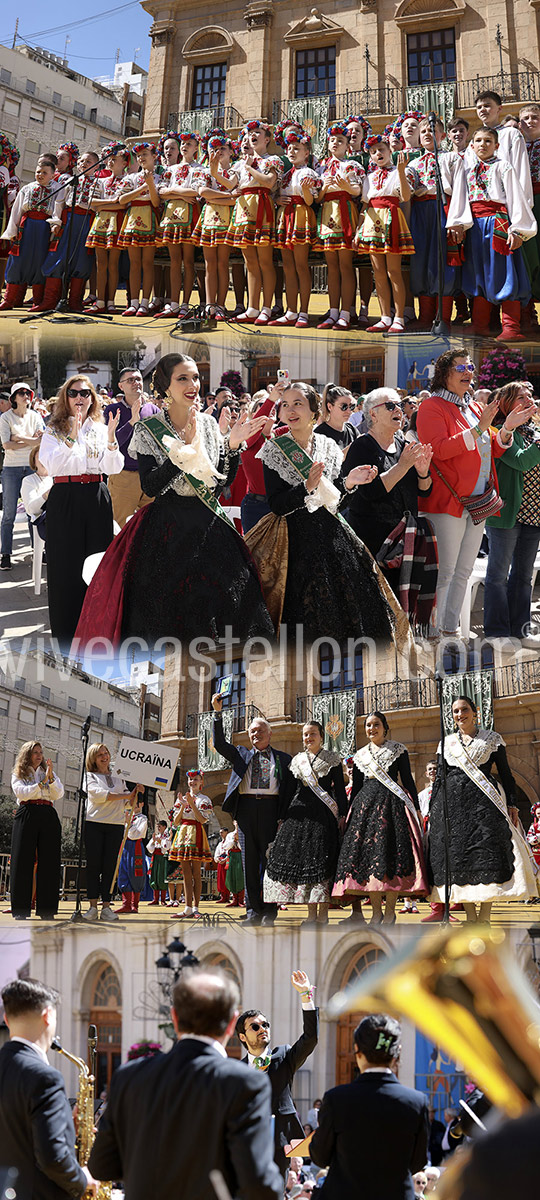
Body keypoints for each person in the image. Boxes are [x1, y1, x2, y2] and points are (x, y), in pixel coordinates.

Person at [74, 354, 274, 647]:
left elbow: (218, 484)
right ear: (166, 387)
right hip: (166, 530)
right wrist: (181, 454)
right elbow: (151, 485)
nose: (193, 384)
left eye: (195, 377)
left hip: (209, 526)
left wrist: (231, 447)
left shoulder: (207, 425)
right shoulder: (148, 429)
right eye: (183, 378)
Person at [88, 966, 283, 1200]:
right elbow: (259, 1185)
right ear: (232, 1024)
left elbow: (102, 1167)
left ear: (174, 1017)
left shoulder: (129, 1076)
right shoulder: (245, 1083)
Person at [250, 381, 409, 645]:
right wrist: (306, 488)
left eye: (298, 403)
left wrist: (350, 482)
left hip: (331, 532)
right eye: (285, 405)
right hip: (292, 539)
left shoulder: (328, 446)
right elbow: (277, 504)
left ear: (315, 410)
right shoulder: (275, 449)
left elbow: (334, 495)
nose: (290, 410)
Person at [416, 349, 535, 638]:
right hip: (448, 501)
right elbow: (440, 450)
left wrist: (506, 428)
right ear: (444, 374)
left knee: (464, 570)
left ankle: (450, 627)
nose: (468, 371)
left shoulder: (475, 408)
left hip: (479, 502)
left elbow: (495, 448)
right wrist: (478, 429)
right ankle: (434, 630)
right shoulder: (432, 407)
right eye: (460, 367)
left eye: (470, 366)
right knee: (444, 571)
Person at [427, 694, 538, 922]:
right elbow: (440, 778)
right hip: (455, 809)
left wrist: (513, 803)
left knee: (488, 854)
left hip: (485, 807)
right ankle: (469, 917)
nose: (460, 714)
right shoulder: (446, 743)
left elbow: (506, 775)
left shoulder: (491, 739)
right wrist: (435, 809)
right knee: (460, 859)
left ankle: (485, 917)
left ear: (474, 711)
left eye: (464, 709)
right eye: (456, 711)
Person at [38, 374, 123, 648]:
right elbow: (50, 465)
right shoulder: (53, 429)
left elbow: (113, 467)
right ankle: (65, 634)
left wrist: (111, 440)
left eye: (85, 393)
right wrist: (72, 437)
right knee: (65, 566)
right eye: (74, 393)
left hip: (97, 496)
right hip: (65, 497)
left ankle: (95, 629)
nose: (79, 398)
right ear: (66, 398)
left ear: (92, 398)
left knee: (97, 563)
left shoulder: (100, 427)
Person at [343, 388, 436, 629]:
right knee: (378, 603)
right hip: (374, 539)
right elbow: (371, 492)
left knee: (403, 604)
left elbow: (424, 490)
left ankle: (404, 647)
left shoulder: (404, 444)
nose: (399, 410)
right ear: (372, 415)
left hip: (405, 538)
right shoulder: (362, 447)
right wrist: (404, 466)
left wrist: (423, 472)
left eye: (399, 405)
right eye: (390, 406)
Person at [311, 1014, 428, 1200]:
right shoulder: (416, 1101)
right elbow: (417, 1161)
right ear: (397, 1052)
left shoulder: (336, 1099)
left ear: (357, 1049)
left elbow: (320, 1156)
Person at [0, 979, 94, 1200]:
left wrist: (65, 1124)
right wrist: (83, 1181)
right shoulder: (45, 1077)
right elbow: (52, 1157)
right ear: (48, 1016)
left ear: (6, 1018)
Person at [333, 712, 428, 925]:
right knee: (368, 862)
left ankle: (391, 912)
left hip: (392, 807)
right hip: (364, 810)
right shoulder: (359, 756)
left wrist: (416, 808)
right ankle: (376, 913)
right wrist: (348, 814)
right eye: (368, 725)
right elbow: (356, 788)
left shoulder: (398, 750)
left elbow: (408, 781)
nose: (371, 729)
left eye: (376, 724)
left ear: (385, 727)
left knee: (391, 858)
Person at [212, 692, 292, 925]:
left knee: (270, 864)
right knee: (248, 864)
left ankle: (270, 911)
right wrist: (218, 713)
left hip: (271, 811)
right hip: (246, 810)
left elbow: (290, 789)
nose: (255, 734)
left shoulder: (284, 759)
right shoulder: (241, 754)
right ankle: (253, 913)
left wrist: (283, 817)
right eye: (252, 732)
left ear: (269, 733)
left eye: (260, 730)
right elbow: (218, 743)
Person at [263, 721, 348, 926]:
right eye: (305, 735)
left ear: (321, 736)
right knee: (306, 864)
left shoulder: (332, 759)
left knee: (323, 863)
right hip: (300, 814)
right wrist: (282, 816)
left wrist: (343, 814)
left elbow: (340, 793)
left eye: (312, 734)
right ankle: (311, 915)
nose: (308, 738)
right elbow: (289, 791)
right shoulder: (297, 761)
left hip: (324, 816)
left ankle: (324, 915)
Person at [237, 970, 319, 1178]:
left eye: (265, 1024)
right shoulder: (236, 1071)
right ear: (242, 1036)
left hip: (279, 1142)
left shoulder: (283, 1057)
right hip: (246, 1144)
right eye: (255, 1026)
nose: (262, 1028)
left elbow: (310, 1038)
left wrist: (305, 995)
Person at [462, 125, 537, 341]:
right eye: (479, 141)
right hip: (475, 226)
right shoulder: (466, 170)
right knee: (478, 271)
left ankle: (511, 327)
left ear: (496, 145)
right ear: (472, 145)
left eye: (488, 141)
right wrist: (459, 225)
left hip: (498, 223)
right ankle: (480, 324)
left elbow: (515, 197)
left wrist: (517, 229)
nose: (483, 145)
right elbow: (461, 199)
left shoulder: (504, 167)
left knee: (504, 272)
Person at [483, 381, 540, 645]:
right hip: (507, 513)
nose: (529, 399)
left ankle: (522, 629)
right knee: (498, 575)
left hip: (534, 514)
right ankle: (496, 632)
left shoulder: (533, 430)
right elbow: (522, 461)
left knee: (524, 576)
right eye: (521, 396)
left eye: (530, 395)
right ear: (507, 403)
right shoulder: (500, 431)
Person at [409, 117, 471, 327]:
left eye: (432, 130)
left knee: (443, 263)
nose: (427, 133)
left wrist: (456, 221)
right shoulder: (413, 163)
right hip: (420, 212)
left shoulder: (452, 158)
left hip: (443, 210)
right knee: (421, 262)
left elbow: (460, 190)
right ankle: (425, 317)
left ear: (442, 136)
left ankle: (443, 317)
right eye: (424, 130)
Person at [223, 120, 283, 325]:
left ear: (267, 139)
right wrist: (214, 170)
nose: (253, 135)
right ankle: (252, 307)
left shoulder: (272, 159)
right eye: (250, 133)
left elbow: (268, 182)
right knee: (250, 262)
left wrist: (250, 166)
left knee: (265, 261)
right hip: (243, 208)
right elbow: (230, 184)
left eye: (257, 132)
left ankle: (266, 307)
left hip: (261, 207)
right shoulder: (239, 164)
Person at [355, 136, 415, 335]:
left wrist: (400, 172)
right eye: (373, 152)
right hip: (372, 222)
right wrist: (358, 230)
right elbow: (365, 204)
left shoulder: (400, 172)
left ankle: (398, 317)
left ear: (390, 151)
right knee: (378, 273)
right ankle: (384, 317)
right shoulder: (369, 177)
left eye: (381, 149)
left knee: (394, 271)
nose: (377, 154)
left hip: (392, 219)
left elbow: (405, 197)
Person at [84, 742, 143, 923]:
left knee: (111, 866)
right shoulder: (89, 776)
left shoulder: (119, 776)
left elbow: (126, 802)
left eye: (106, 753)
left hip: (116, 825)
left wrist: (136, 794)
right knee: (94, 866)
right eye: (100, 754)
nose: (104, 756)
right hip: (94, 823)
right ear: (93, 758)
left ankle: (107, 907)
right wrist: (127, 795)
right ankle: (92, 907)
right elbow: (101, 796)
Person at [0, 153, 65, 312]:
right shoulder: (27, 188)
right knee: (17, 260)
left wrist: (55, 224)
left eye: (44, 172)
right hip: (26, 227)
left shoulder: (57, 189)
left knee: (39, 261)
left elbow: (58, 209)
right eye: (38, 172)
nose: (40, 175)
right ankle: (9, 299)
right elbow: (17, 211)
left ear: (52, 174)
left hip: (43, 228)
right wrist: (12, 231)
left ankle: (38, 300)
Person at [317, 122, 364, 330]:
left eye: (341, 141)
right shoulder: (320, 166)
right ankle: (333, 311)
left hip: (345, 212)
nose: (336, 143)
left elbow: (358, 191)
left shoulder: (352, 166)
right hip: (328, 216)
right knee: (332, 268)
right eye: (333, 140)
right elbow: (317, 199)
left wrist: (346, 186)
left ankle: (346, 312)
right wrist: (323, 189)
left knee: (346, 266)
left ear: (348, 146)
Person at [41, 150, 101, 313]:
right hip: (69, 222)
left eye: (88, 161)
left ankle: (75, 301)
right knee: (59, 256)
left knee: (81, 260)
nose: (83, 164)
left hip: (87, 223)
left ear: (96, 165)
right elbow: (59, 202)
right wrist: (56, 221)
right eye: (81, 161)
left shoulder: (99, 182)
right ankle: (50, 300)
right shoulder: (69, 180)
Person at [10, 741, 63, 921]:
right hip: (27, 812)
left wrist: (51, 779)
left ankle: (47, 909)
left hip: (48, 812)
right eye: (35, 752)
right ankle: (20, 909)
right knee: (22, 860)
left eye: (40, 752)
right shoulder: (18, 773)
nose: (39, 755)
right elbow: (22, 793)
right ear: (27, 755)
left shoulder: (49, 773)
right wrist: (41, 785)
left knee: (49, 861)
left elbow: (59, 794)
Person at [273, 131, 321, 327]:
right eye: (289, 148)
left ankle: (304, 312)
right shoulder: (285, 175)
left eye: (297, 149)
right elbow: (276, 195)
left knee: (301, 266)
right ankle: (291, 310)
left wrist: (308, 191)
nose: (292, 151)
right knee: (288, 267)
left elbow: (311, 201)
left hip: (301, 215)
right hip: (285, 216)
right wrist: (277, 199)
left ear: (307, 153)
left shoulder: (309, 173)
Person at [103, 368, 160, 527]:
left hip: (150, 475)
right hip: (124, 476)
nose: (136, 383)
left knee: (153, 524)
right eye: (130, 380)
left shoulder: (153, 409)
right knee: (120, 526)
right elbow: (110, 443)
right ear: (121, 386)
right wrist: (131, 423)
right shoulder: (112, 410)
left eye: (138, 379)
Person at [0, 382, 44, 570]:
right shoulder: (5, 417)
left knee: (33, 511)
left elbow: (41, 441)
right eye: (22, 393)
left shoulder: (35, 416)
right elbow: (6, 445)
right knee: (8, 514)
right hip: (11, 468)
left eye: (28, 392)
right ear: (14, 397)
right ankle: (6, 554)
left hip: (32, 466)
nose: (26, 395)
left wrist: (18, 438)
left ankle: (37, 551)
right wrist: (30, 441)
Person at [84, 141, 132, 313]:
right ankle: (100, 300)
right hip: (101, 223)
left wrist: (105, 205)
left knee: (113, 264)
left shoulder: (127, 181)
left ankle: (110, 300)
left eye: (115, 159)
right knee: (100, 263)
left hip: (117, 223)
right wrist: (112, 202)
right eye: (109, 159)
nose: (110, 162)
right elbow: (92, 203)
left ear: (125, 163)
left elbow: (123, 205)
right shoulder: (101, 181)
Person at [117, 141, 161, 316]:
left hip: (149, 216)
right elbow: (121, 200)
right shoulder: (131, 177)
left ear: (154, 157)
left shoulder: (160, 177)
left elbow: (156, 202)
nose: (141, 157)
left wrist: (150, 183)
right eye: (139, 155)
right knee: (134, 263)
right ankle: (133, 302)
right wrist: (144, 186)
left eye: (145, 154)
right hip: (133, 217)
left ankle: (145, 302)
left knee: (148, 263)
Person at [167, 769, 213, 919]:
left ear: (201, 782)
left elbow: (203, 819)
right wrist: (182, 805)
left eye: (196, 780)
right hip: (183, 834)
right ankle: (187, 908)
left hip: (196, 832)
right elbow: (175, 821)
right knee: (186, 872)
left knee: (196, 873)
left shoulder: (204, 800)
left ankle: (196, 907)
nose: (192, 782)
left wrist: (192, 804)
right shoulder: (181, 799)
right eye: (190, 780)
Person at [117, 795, 149, 915]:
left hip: (135, 847)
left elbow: (137, 834)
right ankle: (125, 904)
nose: (134, 804)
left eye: (137, 802)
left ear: (141, 804)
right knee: (124, 872)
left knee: (136, 873)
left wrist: (128, 824)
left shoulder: (143, 819)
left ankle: (134, 905)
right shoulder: (126, 816)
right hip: (125, 847)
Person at [316, 386, 358, 452]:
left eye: (351, 406)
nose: (349, 411)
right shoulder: (319, 434)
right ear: (330, 407)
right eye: (344, 407)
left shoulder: (351, 429)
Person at [147, 819, 171, 905]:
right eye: (157, 826)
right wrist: (153, 841)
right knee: (154, 877)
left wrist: (159, 841)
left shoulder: (167, 837)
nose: (158, 828)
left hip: (162, 858)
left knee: (161, 877)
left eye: (160, 826)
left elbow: (167, 848)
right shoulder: (156, 836)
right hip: (155, 858)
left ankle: (163, 900)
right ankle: (155, 899)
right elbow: (149, 848)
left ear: (164, 827)